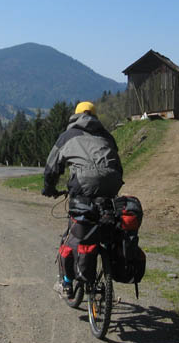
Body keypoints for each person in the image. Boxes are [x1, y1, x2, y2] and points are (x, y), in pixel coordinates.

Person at [42, 101, 123, 299]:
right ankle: (105, 258)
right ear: (95, 116)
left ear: (75, 116)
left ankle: (66, 283)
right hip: (112, 184)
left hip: (84, 186)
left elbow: (52, 167)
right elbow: (117, 165)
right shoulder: (107, 135)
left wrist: (49, 188)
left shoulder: (68, 136)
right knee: (105, 222)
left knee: (74, 231)